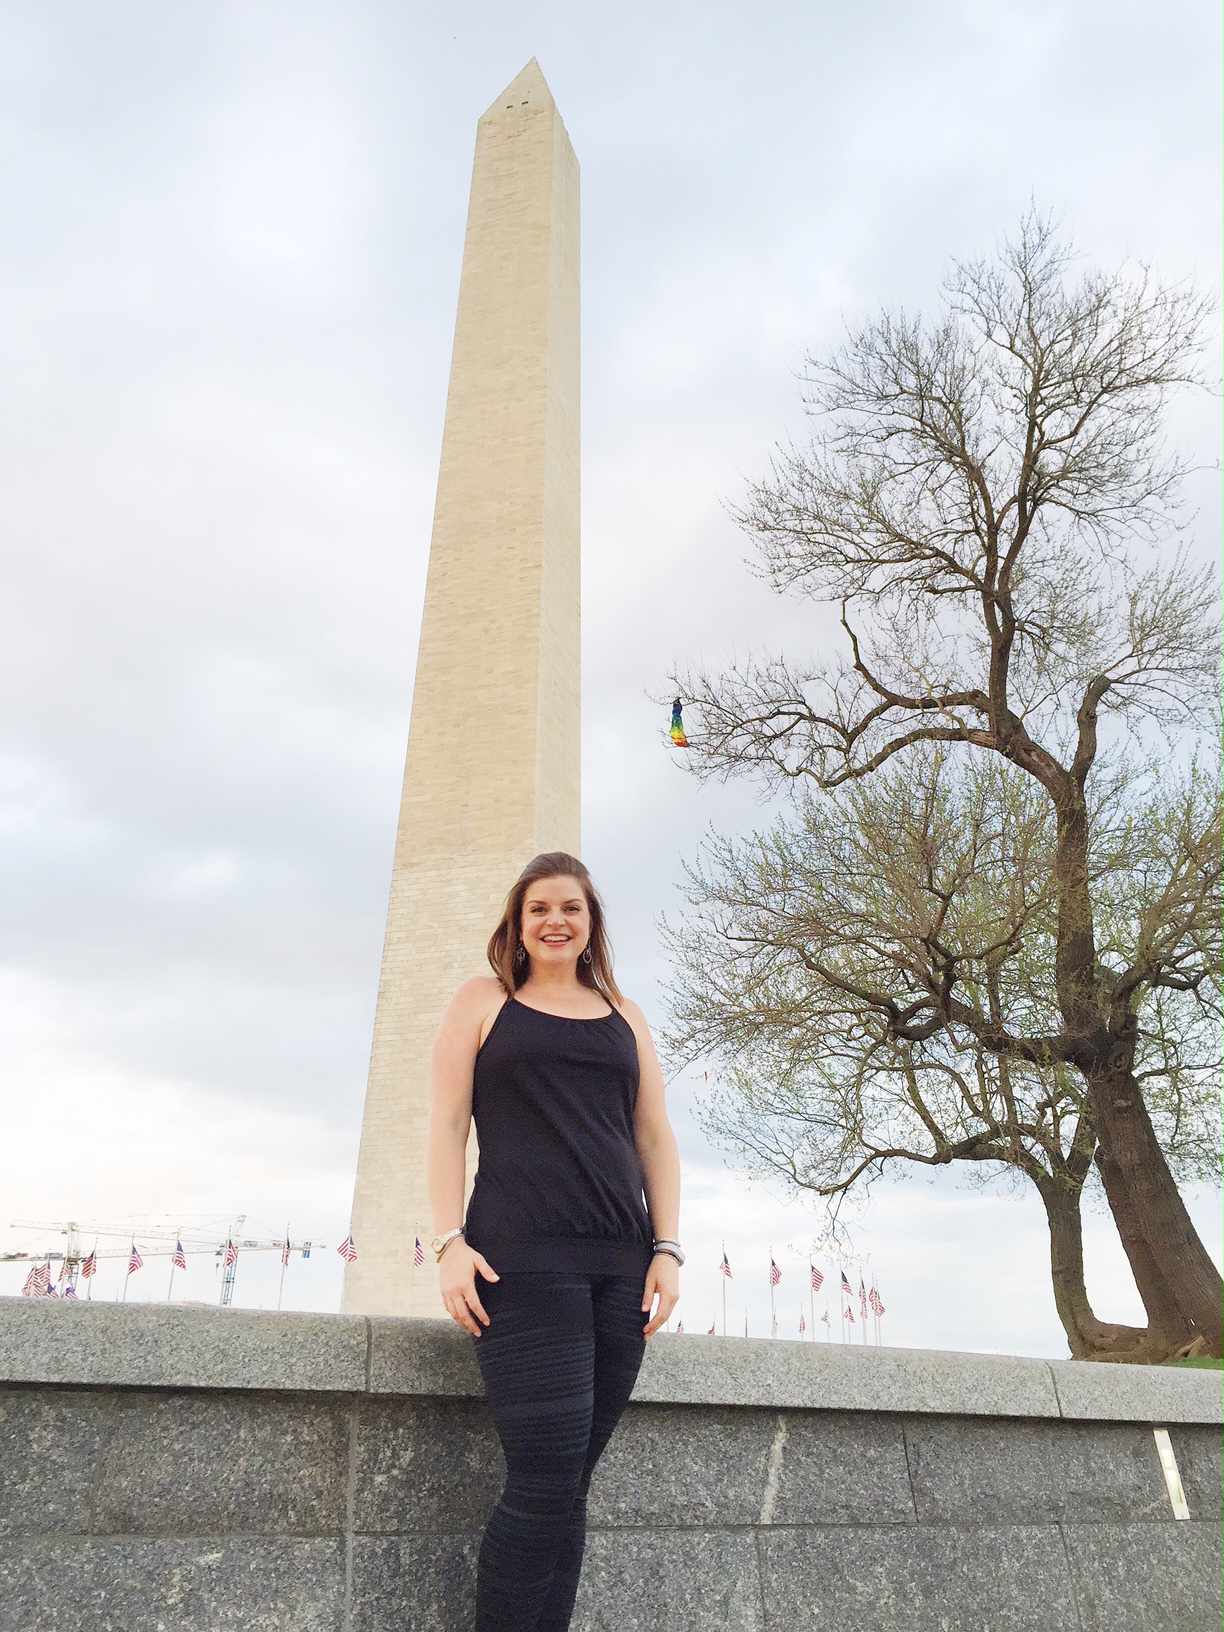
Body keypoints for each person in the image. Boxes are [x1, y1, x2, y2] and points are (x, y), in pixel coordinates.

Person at [426, 851, 683, 1632]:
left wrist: (667, 1249)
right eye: (539, 908)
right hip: (521, 1263)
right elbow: (446, 1125)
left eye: (571, 907)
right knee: (541, 1482)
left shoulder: (624, 1013)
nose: (555, 921)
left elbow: (654, 1138)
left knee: (571, 1486)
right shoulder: (483, 1000)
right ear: (517, 922)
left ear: (591, 922)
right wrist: (448, 1242)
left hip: (620, 1266)